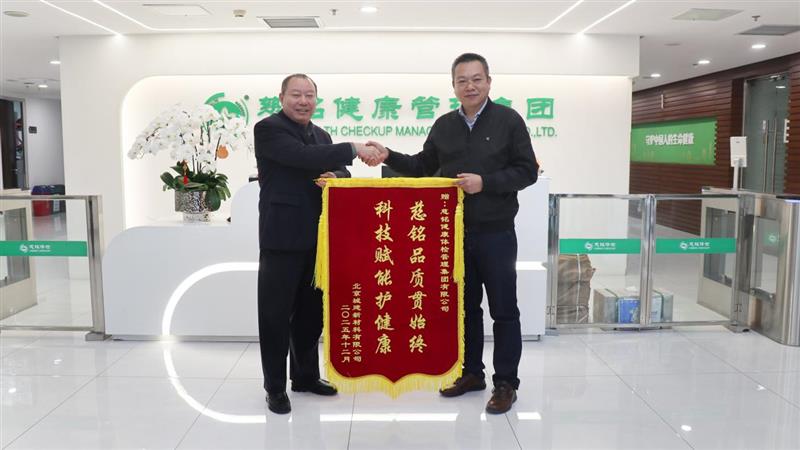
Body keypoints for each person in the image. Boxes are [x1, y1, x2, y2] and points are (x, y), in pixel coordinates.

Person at [366, 53, 539, 414]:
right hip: (453, 234)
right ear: (454, 86)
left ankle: (506, 382)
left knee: (504, 310)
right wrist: (388, 155)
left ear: (489, 82)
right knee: (465, 309)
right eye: (462, 80)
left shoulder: (508, 120)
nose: (470, 86)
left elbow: (527, 171)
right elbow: (421, 166)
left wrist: (485, 182)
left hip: (496, 233)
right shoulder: (445, 125)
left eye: (476, 79)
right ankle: (471, 373)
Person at [254, 73, 380, 414]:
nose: (303, 101)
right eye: (296, 94)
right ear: (281, 97)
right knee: (275, 315)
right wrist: (355, 148)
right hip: (281, 237)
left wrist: (336, 176)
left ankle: (305, 376)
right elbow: (300, 157)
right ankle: (274, 388)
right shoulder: (268, 129)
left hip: (320, 239)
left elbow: (342, 171)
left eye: (309, 95)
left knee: (312, 314)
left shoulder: (321, 134)